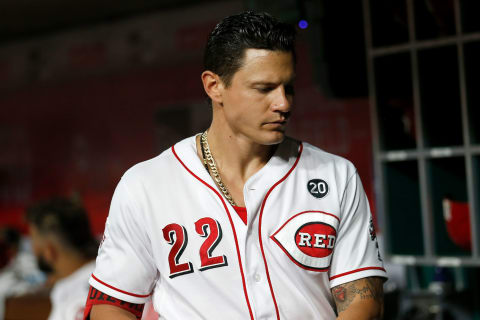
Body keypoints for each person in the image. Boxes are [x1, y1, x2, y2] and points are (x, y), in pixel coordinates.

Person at [86, 11, 387, 320]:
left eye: (289, 87)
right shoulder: (146, 184)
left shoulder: (335, 174)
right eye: (264, 88)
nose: (282, 103)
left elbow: (362, 299)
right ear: (214, 86)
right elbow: (112, 304)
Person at [26, 197, 98, 320]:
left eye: (32, 240)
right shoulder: (98, 276)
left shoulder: (80, 298)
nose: (32, 248)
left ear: (49, 251)